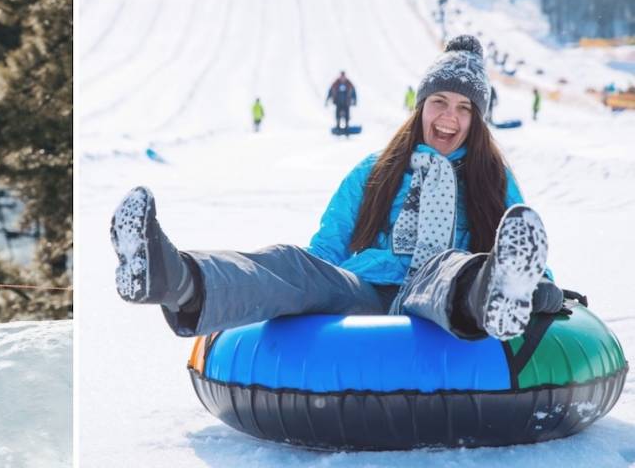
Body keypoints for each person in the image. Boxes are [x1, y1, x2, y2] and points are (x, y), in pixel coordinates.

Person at [110, 35, 563, 344]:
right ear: (420, 105)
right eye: (440, 101)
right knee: (293, 264)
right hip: (366, 287)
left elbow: (519, 255)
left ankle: (490, 296)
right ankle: (174, 277)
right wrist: (308, 283)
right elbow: (328, 247)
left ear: (477, 120)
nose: (449, 117)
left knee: (450, 270)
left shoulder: (491, 178)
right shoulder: (376, 170)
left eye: (465, 108)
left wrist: (538, 289)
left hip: (439, 290)